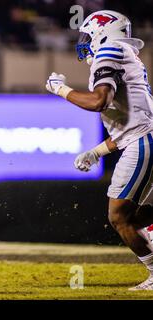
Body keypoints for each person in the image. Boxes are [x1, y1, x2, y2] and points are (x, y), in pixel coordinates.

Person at [46, 10, 153, 291]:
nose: (85, 41)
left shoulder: (110, 49)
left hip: (144, 141)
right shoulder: (125, 54)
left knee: (119, 216)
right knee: (137, 216)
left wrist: (61, 90)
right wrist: (95, 152)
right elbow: (129, 123)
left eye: (88, 34)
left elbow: (98, 101)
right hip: (143, 138)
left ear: (103, 32)